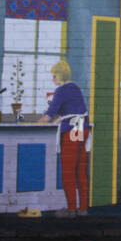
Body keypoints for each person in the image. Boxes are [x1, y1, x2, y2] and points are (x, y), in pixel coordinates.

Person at [41, 60, 90, 216]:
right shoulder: (75, 87)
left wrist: (35, 122)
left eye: (54, 76)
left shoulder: (61, 91)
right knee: (80, 171)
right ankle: (82, 208)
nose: (52, 79)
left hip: (71, 130)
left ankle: (71, 210)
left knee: (68, 172)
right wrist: (61, 118)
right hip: (82, 127)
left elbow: (49, 114)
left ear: (59, 76)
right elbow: (74, 110)